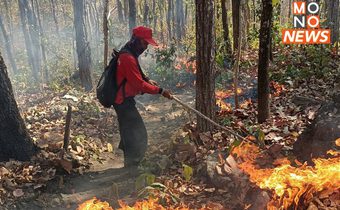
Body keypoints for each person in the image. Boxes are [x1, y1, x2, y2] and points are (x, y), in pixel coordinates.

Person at [114, 26, 173, 168]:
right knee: (137, 133)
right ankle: (131, 167)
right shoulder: (127, 56)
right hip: (122, 101)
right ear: (136, 40)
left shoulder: (129, 51)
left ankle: (130, 164)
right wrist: (160, 90)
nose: (146, 47)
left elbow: (136, 73)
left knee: (130, 131)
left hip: (124, 99)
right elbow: (138, 84)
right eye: (145, 43)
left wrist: (147, 79)